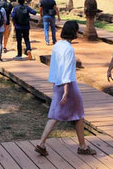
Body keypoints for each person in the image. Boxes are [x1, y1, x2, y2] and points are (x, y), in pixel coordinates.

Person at [35, 20, 97, 156]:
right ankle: (82, 146)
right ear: (73, 32)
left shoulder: (58, 45)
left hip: (58, 83)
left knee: (56, 114)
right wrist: (66, 91)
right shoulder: (69, 49)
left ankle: (42, 143)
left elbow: (57, 66)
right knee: (79, 114)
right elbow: (68, 71)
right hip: (68, 85)